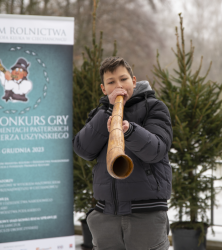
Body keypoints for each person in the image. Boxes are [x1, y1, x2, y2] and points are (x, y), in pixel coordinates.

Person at [73, 57, 173, 250]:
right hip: (105, 216)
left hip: (145, 215)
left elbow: (157, 150)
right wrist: (107, 114)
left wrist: (130, 131)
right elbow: (83, 149)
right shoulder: (100, 114)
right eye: (111, 82)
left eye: (123, 79)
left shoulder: (154, 107)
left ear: (134, 81)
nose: (119, 86)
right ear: (104, 89)